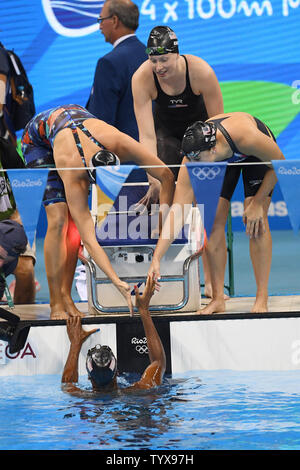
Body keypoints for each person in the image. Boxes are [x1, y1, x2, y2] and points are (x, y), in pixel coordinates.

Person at [21, 104, 175, 320]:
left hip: (77, 119)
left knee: (73, 228)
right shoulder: (73, 169)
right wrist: (116, 281)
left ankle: (67, 295)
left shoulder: (121, 142)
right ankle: (57, 300)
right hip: (39, 139)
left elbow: (167, 176)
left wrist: (162, 221)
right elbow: (90, 240)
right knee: (58, 220)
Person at [148, 112, 285, 315]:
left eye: (197, 159)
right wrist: (157, 257)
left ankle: (261, 296)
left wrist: (257, 202)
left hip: (253, 155)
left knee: (257, 222)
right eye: (190, 159)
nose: (192, 165)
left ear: (212, 149)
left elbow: (280, 165)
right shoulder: (192, 160)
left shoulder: (248, 137)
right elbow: (177, 212)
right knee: (211, 223)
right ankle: (218, 299)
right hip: (221, 160)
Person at [131, 25, 224, 297]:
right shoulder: (142, 78)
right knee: (164, 202)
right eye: (153, 59)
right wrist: (153, 178)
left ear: (177, 54)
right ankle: (168, 277)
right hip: (167, 139)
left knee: (206, 210)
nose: (158, 67)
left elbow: (218, 125)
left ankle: (212, 284)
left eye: (164, 60)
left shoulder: (201, 72)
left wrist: (205, 160)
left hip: (204, 138)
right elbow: (146, 136)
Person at [61, 274, 166, 395]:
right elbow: (158, 362)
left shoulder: (80, 396)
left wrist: (75, 343)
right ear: (117, 373)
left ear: (89, 378)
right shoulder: (140, 390)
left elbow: (67, 384)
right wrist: (144, 310)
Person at [0, 42, 36, 304]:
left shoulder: (7, 149)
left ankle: (25, 327)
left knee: (25, 269)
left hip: (10, 226)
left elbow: (30, 190)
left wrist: (18, 220)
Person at [86, 0, 147, 141]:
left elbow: (101, 123)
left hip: (123, 158)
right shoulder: (150, 56)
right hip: (153, 154)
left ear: (114, 20)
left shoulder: (109, 63)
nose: (100, 25)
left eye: (101, 19)